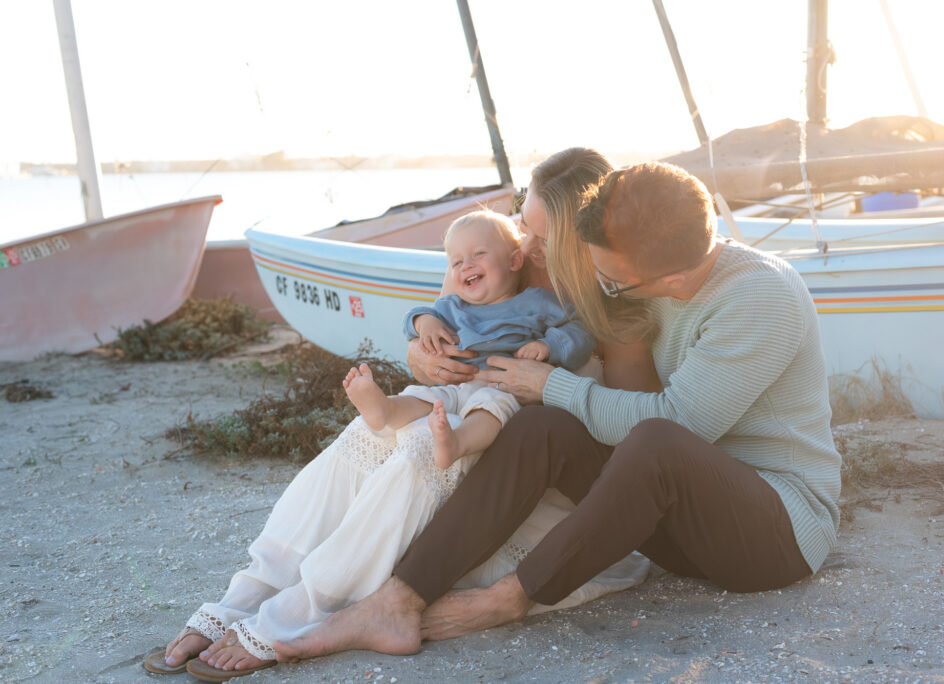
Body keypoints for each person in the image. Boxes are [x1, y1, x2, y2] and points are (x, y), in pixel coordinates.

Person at [271, 161, 842, 661]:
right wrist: (429, 342)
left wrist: (550, 383)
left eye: (613, 283)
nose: (601, 286)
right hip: (681, 527)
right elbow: (486, 297)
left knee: (654, 438)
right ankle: (399, 599)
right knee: (544, 428)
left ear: (670, 278)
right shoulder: (645, 251)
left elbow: (682, 424)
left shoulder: (759, 298)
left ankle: (509, 597)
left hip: (774, 535)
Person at [142, 148, 656, 681]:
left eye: (543, 238)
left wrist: (552, 385)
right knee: (371, 434)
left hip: (532, 485)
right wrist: (423, 356)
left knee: (422, 449)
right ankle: (250, 592)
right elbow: (434, 323)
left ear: (582, 238)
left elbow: (634, 440)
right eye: (523, 225)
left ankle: (301, 611)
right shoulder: (504, 263)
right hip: (471, 430)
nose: (526, 246)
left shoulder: (608, 306)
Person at [344, 209, 595, 470]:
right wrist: (424, 323)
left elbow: (579, 330)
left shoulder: (535, 303)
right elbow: (415, 316)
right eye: (456, 262)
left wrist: (547, 346)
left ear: (514, 261)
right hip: (459, 385)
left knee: (490, 409)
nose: (467, 265)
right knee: (427, 397)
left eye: (479, 254)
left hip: (506, 389)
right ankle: (386, 410)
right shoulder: (454, 307)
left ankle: (457, 443)